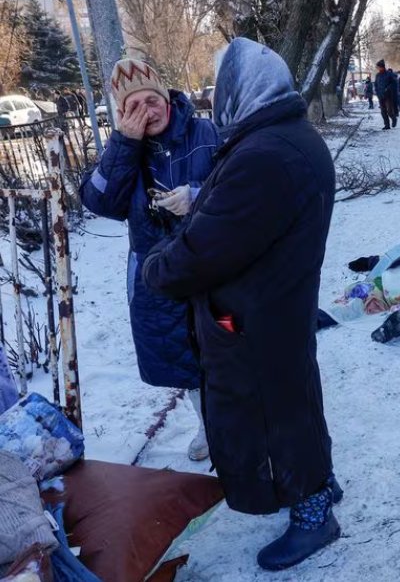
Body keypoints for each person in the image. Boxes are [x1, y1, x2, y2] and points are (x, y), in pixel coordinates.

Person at [142, 37, 341, 572]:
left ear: (243, 90)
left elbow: (208, 247)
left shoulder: (265, 155)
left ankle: (314, 512)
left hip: (255, 317)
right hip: (276, 305)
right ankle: (321, 483)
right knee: (294, 398)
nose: (214, 100)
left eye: (221, 87)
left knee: (275, 415)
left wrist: (156, 266)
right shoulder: (284, 136)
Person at [80, 59, 219, 460]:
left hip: (209, 259)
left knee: (223, 345)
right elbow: (100, 200)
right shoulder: (124, 148)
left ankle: (237, 424)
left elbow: (237, 184)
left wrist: (196, 194)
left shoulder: (205, 132)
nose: (147, 111)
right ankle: (208, 426)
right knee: (181, 353)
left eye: (153, 100)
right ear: (123, 112)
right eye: (134, 104)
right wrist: (124, 143)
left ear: (168, 98)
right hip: (157, 267)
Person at [374, 59, 398, 130]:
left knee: (389, 111)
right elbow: (376, 84)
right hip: (380, 95)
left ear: (382, 67)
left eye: (378, 67)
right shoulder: (377, 75)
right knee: (383, 111)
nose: (377, 68)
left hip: (388, 95)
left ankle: (393, 118)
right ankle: (387, 125)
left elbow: (394, 83)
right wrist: (377, 91)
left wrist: (388, 88)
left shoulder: (389, 74)